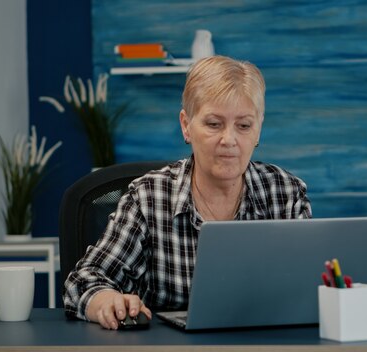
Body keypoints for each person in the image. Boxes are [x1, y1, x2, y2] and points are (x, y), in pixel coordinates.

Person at [63, 55, 312, 329]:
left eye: (244, 126)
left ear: (258, 129)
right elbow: (83, 280)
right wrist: (106, 299)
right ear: (186, 125)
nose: (229, 140)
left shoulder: (286, 194)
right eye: (214, 124)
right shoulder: (148, 197)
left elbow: (306, 290)